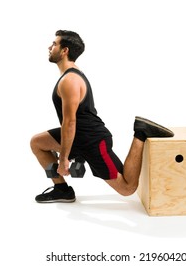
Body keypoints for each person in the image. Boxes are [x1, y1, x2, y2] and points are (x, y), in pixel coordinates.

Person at [30, 30, 174, 203]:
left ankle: (140, 133)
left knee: (127, 188)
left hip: (92, 141)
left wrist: (63, 159)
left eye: (54, 44)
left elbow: (69, 122)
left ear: (64, 50)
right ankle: (62, 189)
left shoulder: (70, 81)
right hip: (78, 137)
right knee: (37, 143)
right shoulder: (69, 76)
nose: (50, 46)